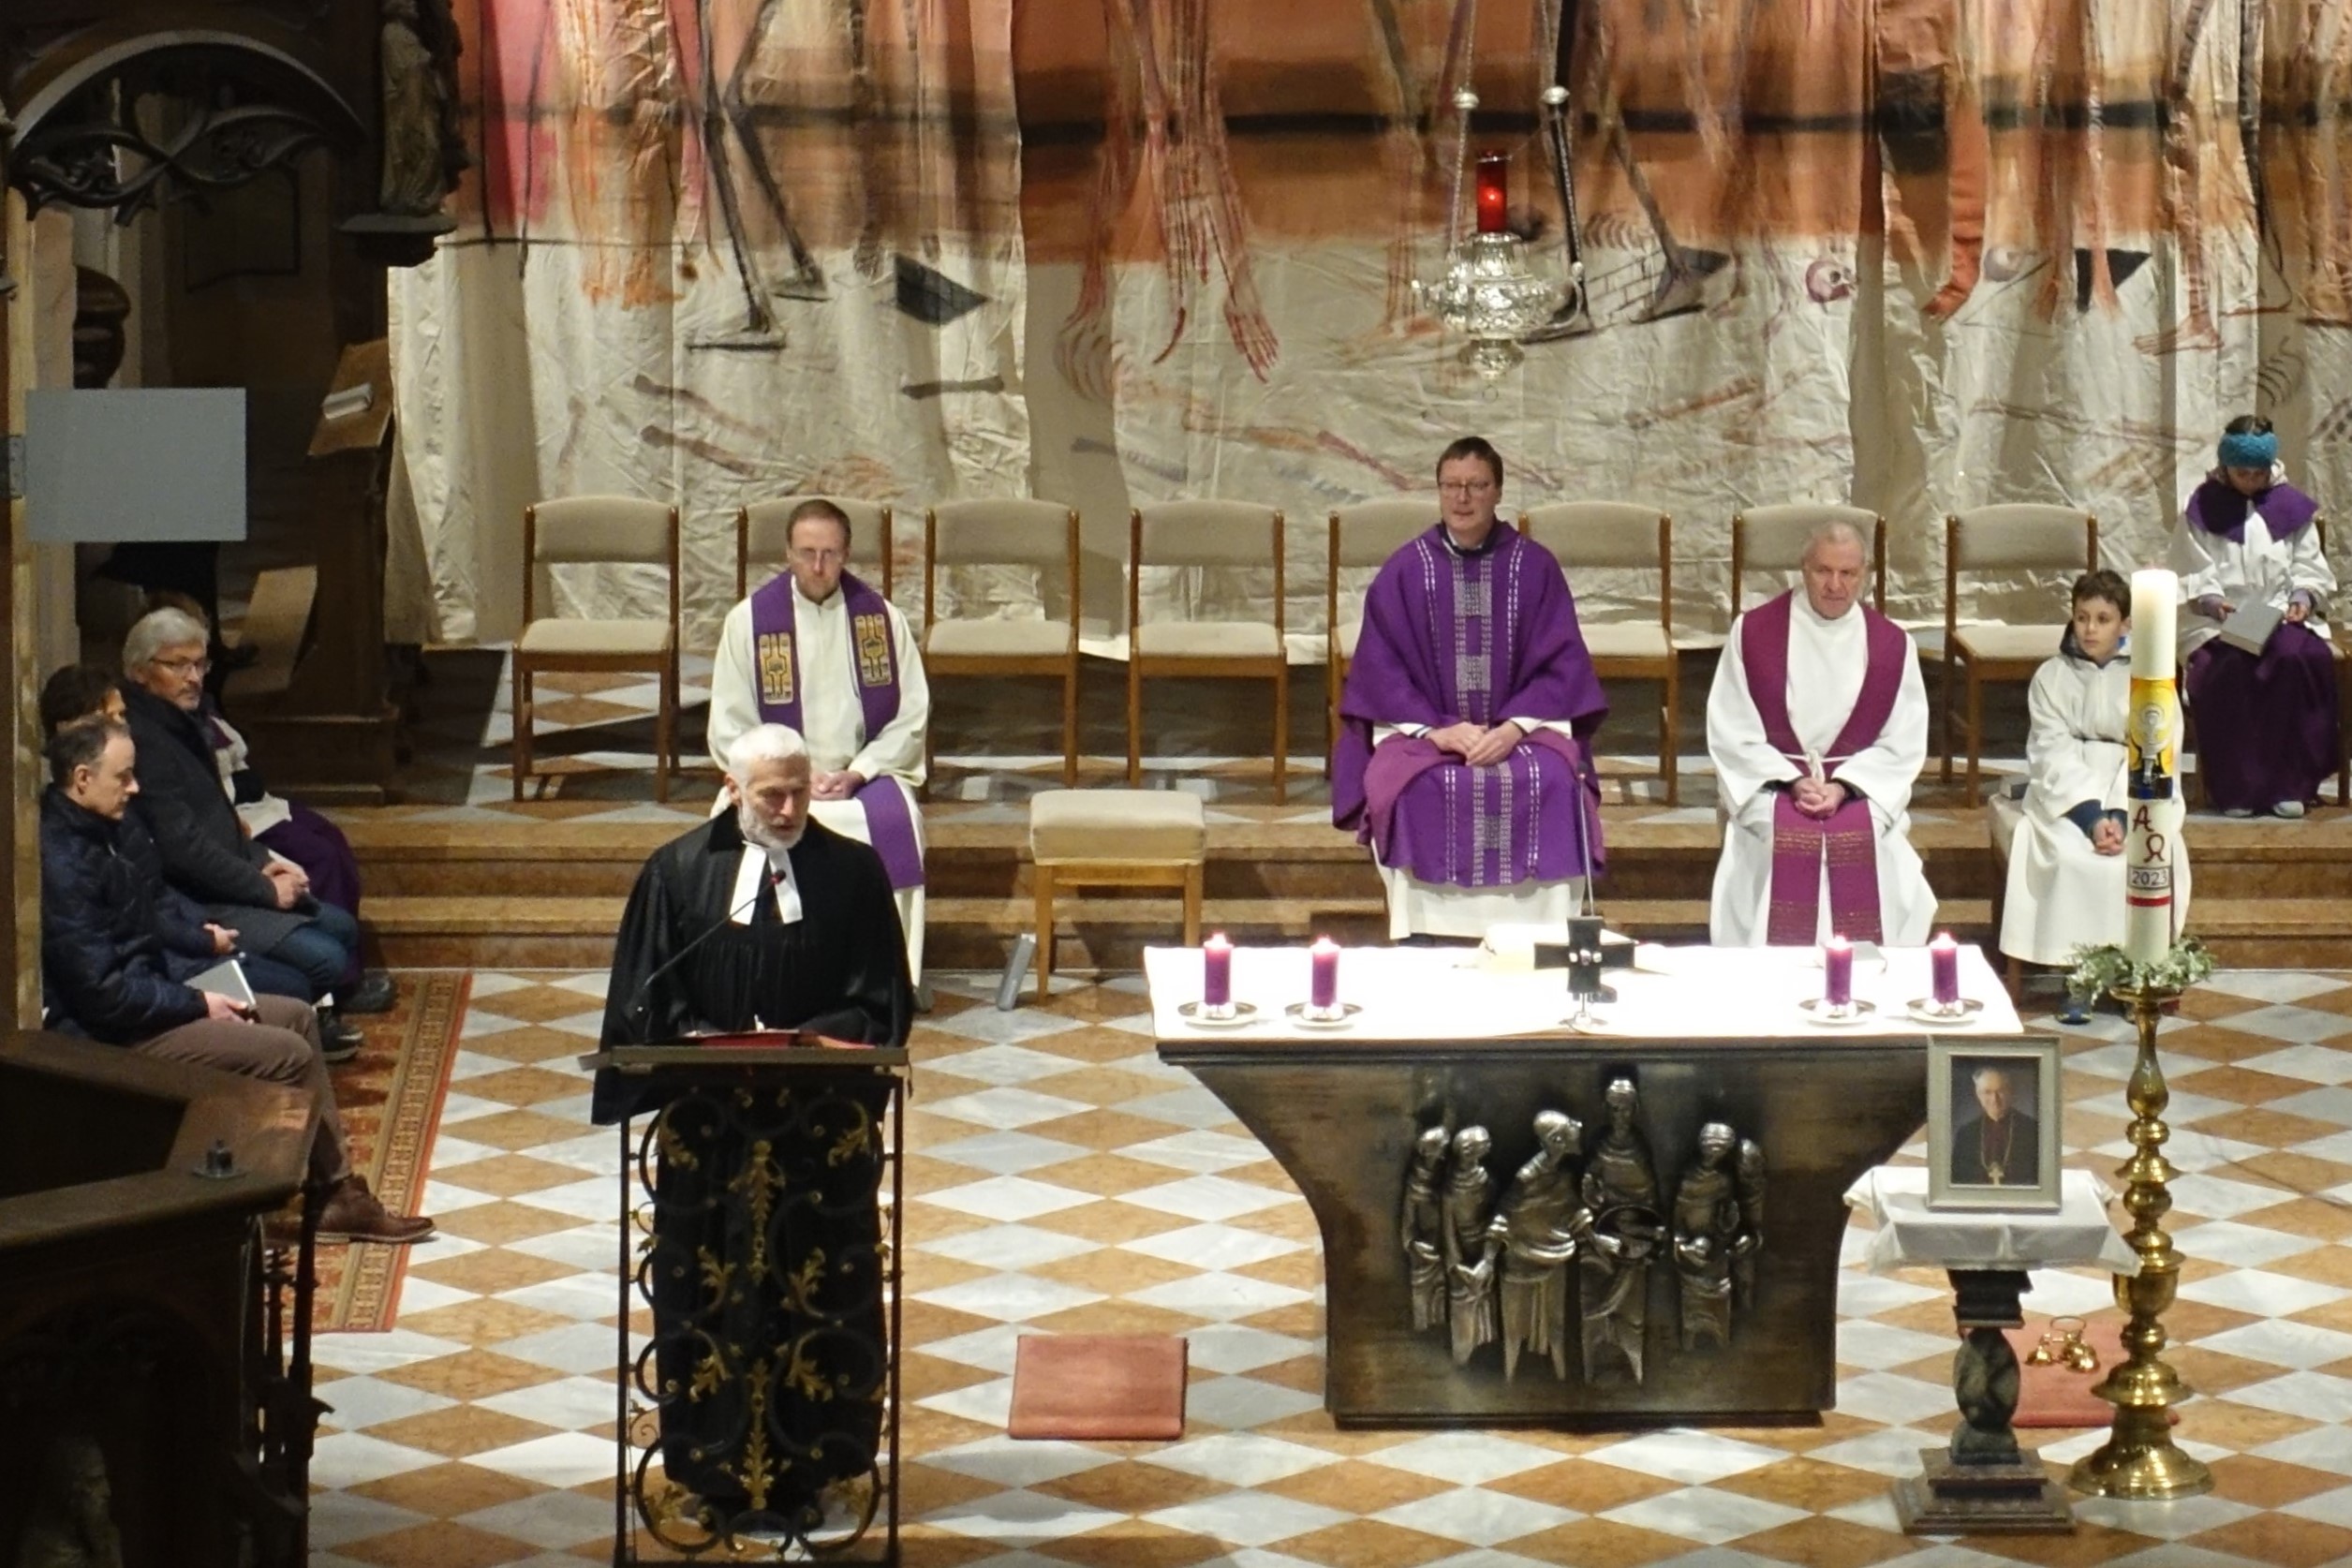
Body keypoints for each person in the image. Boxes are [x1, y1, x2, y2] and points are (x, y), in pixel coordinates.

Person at [597, 723, 913, 1529]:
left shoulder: (852, 871)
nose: (789, 809)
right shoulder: (677, 872)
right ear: (732, 788)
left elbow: (881, 996)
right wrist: (700, 1041)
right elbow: (644, 997)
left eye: (799, 791)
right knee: (712, 1296)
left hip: (816, 1135)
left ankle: (814, 1471)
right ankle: (711, 1471)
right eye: (772, 793)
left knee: (817, 1298)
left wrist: (810, 1041)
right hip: (712, 1135)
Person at [38, 720, 433, 1245]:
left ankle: (335, 1193)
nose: (135, 787)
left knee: (296, 1016)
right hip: (109, 1035)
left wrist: (201, 956)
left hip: (152, 996)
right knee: (285, 1053)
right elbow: (103, 994)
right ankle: (240, 1209)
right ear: (83, 779)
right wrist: (198, 1003)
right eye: (123, 776)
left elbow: (150, 923)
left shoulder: (107, 832)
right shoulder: (65, 861)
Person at [1333, 437, 1609, 940]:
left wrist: (1512, 729)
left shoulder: (1534, 567)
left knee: (1555, 781)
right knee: (1412, 788)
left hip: (1521, 733)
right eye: (1451, 486)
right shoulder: (1405, 570)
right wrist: (1436, 730)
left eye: (1476, 486)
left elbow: (1563, 664)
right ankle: (1424, 928)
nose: (1462, 498)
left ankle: (1547, 930)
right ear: (1438, 491)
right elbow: (1380, 669)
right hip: (1427, 735)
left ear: (1497, 491)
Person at [37, 664, 332, 1045]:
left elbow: (156, 889)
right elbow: (109, 978)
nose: (134, 786)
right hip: (146, 992)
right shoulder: (67, 849)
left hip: (174, 946)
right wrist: (202, 953)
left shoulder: (110, 813)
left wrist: (256, 868)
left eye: (122, 715)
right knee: (302, 985)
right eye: (108, 717)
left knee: (304, 992)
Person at [116, 609, 373, 1043]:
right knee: (325, 957)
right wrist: (264, 889)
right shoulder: (146, 740)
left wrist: (263, 860)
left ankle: (305, 1020)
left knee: (341, 925)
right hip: (198, 900)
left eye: (200, 664)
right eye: (178, 665)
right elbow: (183, 850)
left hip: (229, 881)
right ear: (140, 671)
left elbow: (220, 817)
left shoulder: (181, 721)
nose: (194, 677)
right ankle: (293, 1030)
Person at [706, 499, 930, 982]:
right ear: (787, 552)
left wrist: (857, 773)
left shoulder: (881, 621)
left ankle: (888, 977)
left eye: (830, 553)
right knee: (729, 823)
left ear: (847, 553)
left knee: (900, 823)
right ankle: (748, 969)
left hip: (860, 779)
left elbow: (910, 715)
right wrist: (794, 776)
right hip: (780, 777)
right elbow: (730, 721)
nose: (818, 565)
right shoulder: (749, 622)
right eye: (807, 552)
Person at [1706, 518, 1934, 945]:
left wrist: (1843, 787)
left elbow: (1901, 743)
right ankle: (1774, 972)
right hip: (1772, 785)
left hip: (1860, 789)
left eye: (1848, 573)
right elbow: (1732, 731)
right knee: (1784, 844)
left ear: (1865, 574)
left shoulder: (1892, 645)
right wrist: (1794, 781)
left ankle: (1864, 973)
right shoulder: (1752, 633)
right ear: (1803, 569)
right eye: (1823, 571)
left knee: (1866, 844)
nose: (1835, 585)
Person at [2000, 571, 2194, 974]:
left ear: (2125, 624)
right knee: (2067, 855)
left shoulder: (2149, 676)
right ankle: (2077, 973)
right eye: (2082, 617)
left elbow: (2158, 749)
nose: (2090, 629)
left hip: (2133, 786)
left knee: (2139, 856)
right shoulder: (2051, 676)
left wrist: (2123, 815)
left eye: (2103, 619)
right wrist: (2091, 818)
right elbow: (2049, 751)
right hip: (2068, 792)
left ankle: (2134, 969)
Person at [2173, 415, 2340, 818]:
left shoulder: (2290, 507)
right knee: (2228, 668)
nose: (2250, 481)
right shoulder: (2202, 506)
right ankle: (2238, 790)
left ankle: (2291, 787)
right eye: (2241, 473)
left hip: (2280, 614)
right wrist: (2212, 600)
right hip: (2219, 621)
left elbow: (2308, 564)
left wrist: (2302, 596)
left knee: (2295, 660)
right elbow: (2191, 566)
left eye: (2258, 473)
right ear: (2226, 467)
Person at [1950, 1063, 2040, 1188]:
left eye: (2000, 1091)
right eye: (1987, 1092)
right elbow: (1957, 1180)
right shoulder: (1965, 1133)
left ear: (2010, 1092)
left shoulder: (2032, 1129)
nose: (1995, 1099)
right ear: (1978, 1095)